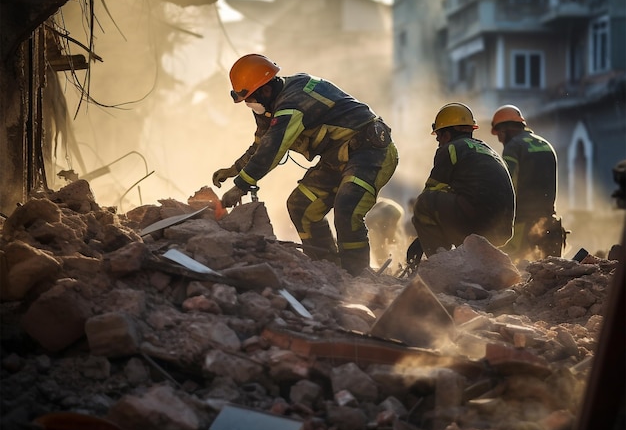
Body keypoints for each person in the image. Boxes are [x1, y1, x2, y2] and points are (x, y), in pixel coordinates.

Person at [212, 54, 399, 276]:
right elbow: (261, 145)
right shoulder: (271, 107)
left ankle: (357, 277)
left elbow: (273, 148)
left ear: (265, 89)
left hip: (369, 151)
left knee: (348, 207)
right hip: (336, 159)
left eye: (250, 98)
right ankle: (331, 270)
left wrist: (241, 184)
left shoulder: (293, 102)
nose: (250, 105)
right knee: (300, 205)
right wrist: (234, 169)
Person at [407, 102, 515, 267]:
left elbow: (431, 192)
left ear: (446, 135)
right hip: (502, 230)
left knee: (423, 203)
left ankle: (442, 266)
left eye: (439, 137)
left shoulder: (451, 149)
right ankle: (469, 264)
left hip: (476, 221)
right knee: (454, 199)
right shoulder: (487, 150)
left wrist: (423, 238)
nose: (438, 143)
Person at [491, 104, 565, 260]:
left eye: (499, 134)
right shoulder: (546, 145)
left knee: (516, 272)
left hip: (522, 224)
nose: (499, 139)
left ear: (504, 130)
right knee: (550, 272)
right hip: (549, 222)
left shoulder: (513, 147)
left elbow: (508, 184)